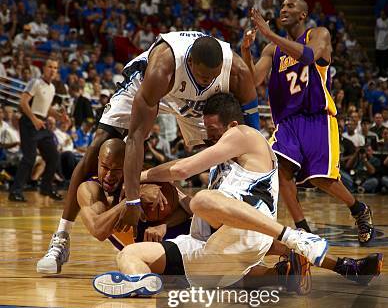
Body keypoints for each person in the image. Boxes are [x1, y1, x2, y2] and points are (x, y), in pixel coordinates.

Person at [93, 94, 382, 298]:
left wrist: (140, 175)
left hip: (246, 235)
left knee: (203, 201)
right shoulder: (228, 158)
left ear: (231, 125)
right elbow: (181, 180)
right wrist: (144, 185)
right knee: (129, 254)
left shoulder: (245, 134)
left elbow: (181, 168)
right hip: (213, 250)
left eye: (214, 130)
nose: (210, 137)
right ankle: (141, 283)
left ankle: (296, 239)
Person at [37, 32, 260, 274]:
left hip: (196, 103)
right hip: (150, 86)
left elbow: (253, 140)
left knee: (226, 147)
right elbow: (135, 138)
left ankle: (233, 230)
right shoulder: (162, 66)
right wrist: (132, 201)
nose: (207, 81)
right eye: (203, 76)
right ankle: (61, 239)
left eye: (212, 76)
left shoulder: (237, 73)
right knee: (98, 146)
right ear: (190, 63)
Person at [81, 136, 309, 295]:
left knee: (227, 249)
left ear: (131, 167)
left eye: (117, 170)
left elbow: (189, 206)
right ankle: (281, 272)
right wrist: (132, 200)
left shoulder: (154, 182)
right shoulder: (91, 190)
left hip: (190, 241)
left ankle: (290, 253)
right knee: (224, 277)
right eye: (104, 167)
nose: (109, 175)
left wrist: (163, 224)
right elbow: (98, 229)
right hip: (171, 253)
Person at [241, 0, 375, 246]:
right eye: (281, 6)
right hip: (288, 121)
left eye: (290, 6)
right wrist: (246, 51)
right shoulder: (273, 50)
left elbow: (308, 56)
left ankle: (358, 209)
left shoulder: (319, 34)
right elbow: (252, 81)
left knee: (319, 178)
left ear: (303, 15)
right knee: (282, 169)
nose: (283, 9)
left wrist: (268, 33)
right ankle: (303, 229)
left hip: (316, 117)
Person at [9, 58, 63, 202]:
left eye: (55, 68)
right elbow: (23, 102)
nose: (53, 70)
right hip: (29, 122)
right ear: (44, 68)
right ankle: (15, 191)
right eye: (50, 66)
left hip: (42, 123)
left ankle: (46, 188)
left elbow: (46, 108)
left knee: (53, 156)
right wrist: (34, 119)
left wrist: (59, 116)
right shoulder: (35, 82)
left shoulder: (52, 88)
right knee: (29, 158)